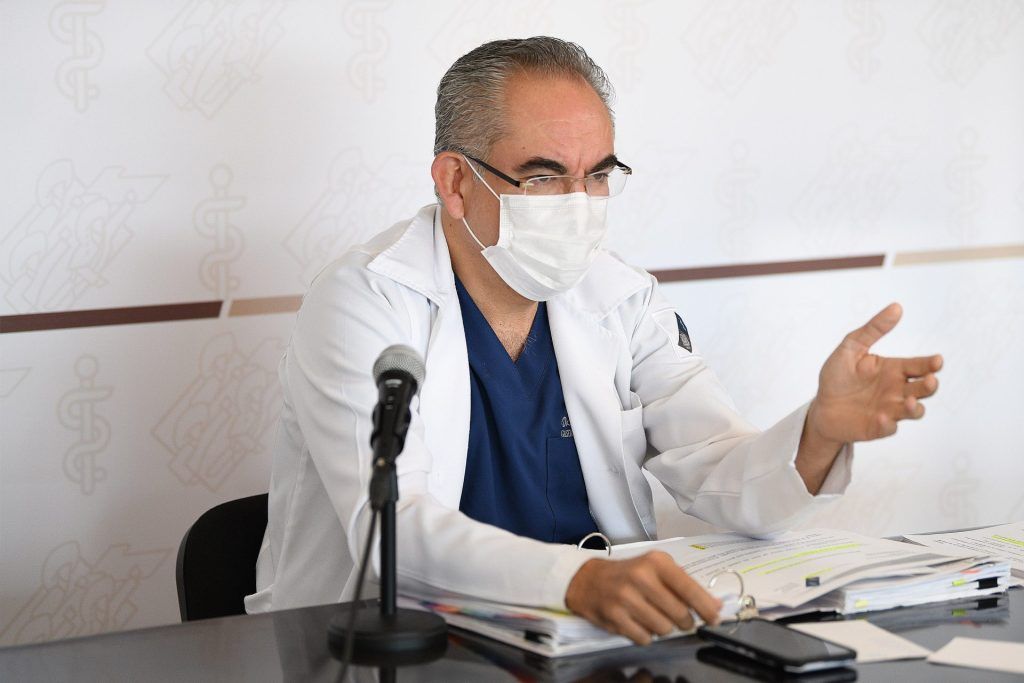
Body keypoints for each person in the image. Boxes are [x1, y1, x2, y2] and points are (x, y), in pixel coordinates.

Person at [245, 37, 942, 645]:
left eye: (599, 174)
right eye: (544, 176)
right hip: (394, 647)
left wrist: (818, 433)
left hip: (587, 642)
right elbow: (393, 529)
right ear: (456, 182)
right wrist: (573, 579)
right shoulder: (364, 301)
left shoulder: (620, 297)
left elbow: (718, 465)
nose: (579, 205)